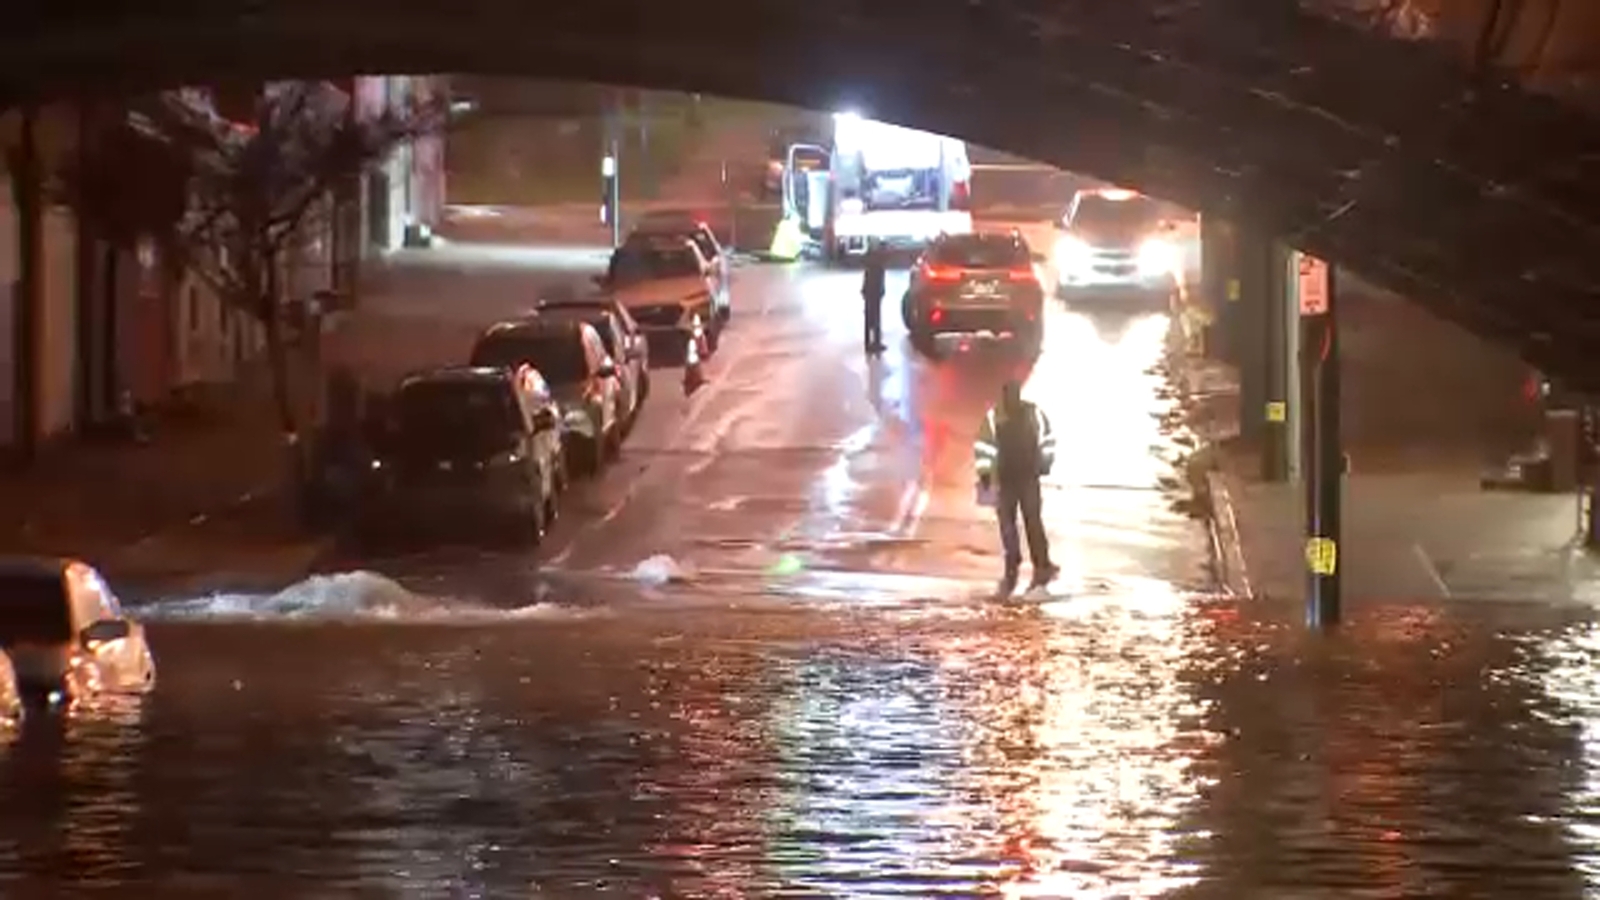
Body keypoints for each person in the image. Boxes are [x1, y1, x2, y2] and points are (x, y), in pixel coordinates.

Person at [974, 379, 1060, 595]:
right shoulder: (996, 417)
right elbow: (984, 446)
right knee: (1010, 525)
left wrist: (1045, 462)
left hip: (1026, 477)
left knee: (1029, 523)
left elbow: (1047, 439)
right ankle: (1016, 564)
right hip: (1008, 479)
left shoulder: (1031, 413)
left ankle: (1040, 565)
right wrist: (985, 473)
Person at [861, 240, 887, 354]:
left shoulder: (871, 261)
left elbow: (867, 277)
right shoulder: (878, 263)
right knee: (875, 317)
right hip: (874, 292)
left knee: (869, 317)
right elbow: (878, 279)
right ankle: (875, 343)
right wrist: (881, 290)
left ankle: (869, 343)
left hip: (869, 291)